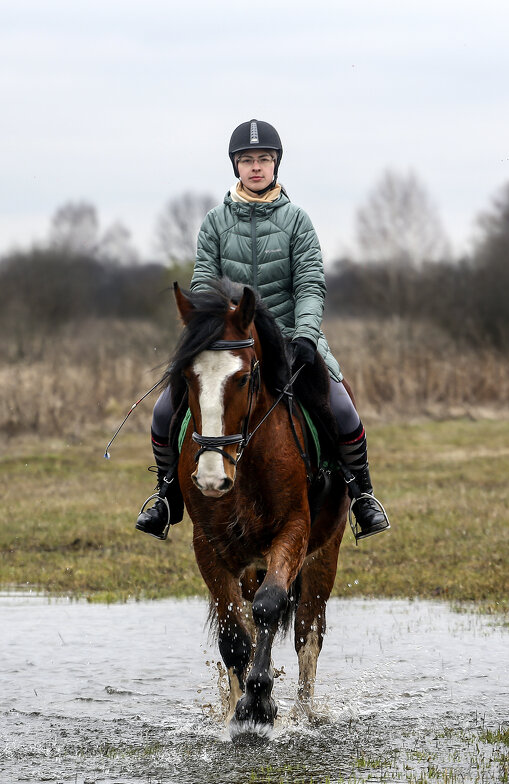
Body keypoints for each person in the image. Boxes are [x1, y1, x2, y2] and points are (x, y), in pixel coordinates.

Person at [136, 119, 390, 542]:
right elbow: (202, 285)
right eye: (248, 160)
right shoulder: (214, 223)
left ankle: (362, 496)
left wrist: (307, 335)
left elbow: (310, 285)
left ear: (276, 165)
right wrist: (213, 329)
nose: (256, 167)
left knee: (343, 408)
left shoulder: (297, 221)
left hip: (291, 339)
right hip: (228, 342)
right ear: (236, 166)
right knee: (165, 411)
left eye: (264, 160)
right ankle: (166, 496)